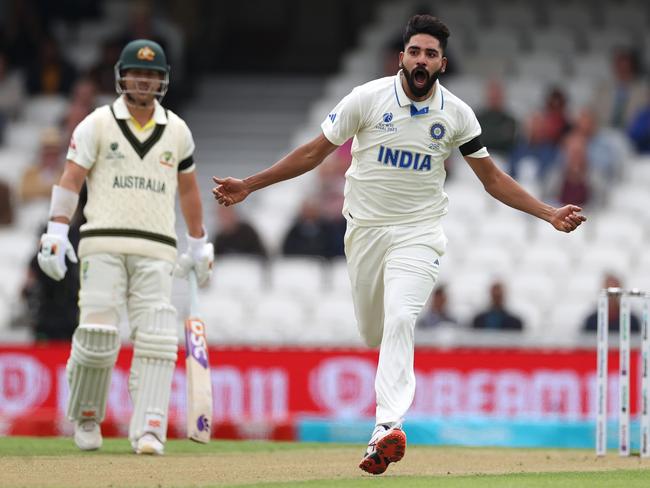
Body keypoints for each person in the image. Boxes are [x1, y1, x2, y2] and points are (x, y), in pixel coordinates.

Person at [212, 15, 585, 475]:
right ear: (402, 58)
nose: (422, 60)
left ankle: (386, 427)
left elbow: (491, 179)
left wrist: (548, 212)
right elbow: (312, 153)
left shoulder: (457, 114)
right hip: (365, 231)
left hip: (419, 233)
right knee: (374, 331)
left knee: (402, 316)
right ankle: (385, 416)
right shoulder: (367, 99)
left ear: (442, 63)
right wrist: (250, 185)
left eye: (431, 53)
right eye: (415, 52)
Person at [36, 39, 213, 456]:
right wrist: (57, 231)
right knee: (97, 335)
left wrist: (199, 241)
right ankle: (86, 416)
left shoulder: (178, 130)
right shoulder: (96, 124)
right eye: (137, 73)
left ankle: (149, 427)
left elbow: (188, 192)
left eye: (152, 74)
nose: (144, 80)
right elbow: (70, 179)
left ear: (163, 80)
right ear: (121, 76)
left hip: (157, 249)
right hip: (102, 244)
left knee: (155, 338)